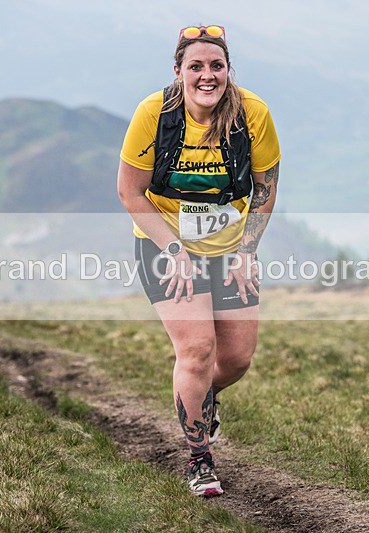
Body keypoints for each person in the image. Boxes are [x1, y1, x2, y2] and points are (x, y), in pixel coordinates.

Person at [117, 24, 281, 497]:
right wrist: (174, 250)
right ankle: (199, 458)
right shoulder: (155, 113)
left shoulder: (254, 114)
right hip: (163, 243)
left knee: (235, 359)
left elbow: (266, 190)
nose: (207, 75)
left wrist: (247, 251)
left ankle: (197, 400)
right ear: (178, 72)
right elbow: (130, 192)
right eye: (196, 66)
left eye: (216, 66)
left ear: (228, 71)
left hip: (230, 247)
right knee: (196, 350)